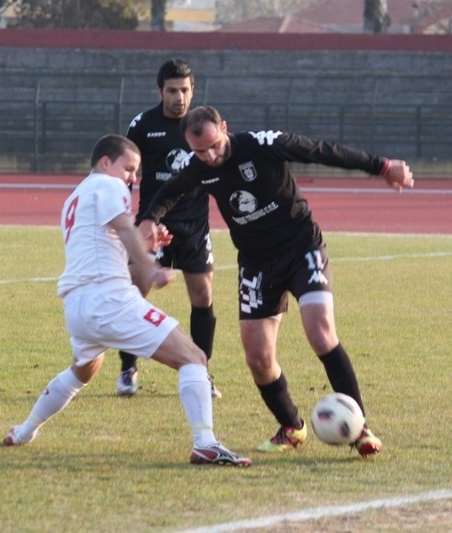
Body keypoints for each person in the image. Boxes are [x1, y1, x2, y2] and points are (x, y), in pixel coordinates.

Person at [137, 106, 414, 457]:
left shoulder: (262, 144)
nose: (209, 155)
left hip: (301, 248)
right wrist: (149, 220)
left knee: (321, 333)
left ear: (225, 127)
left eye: (214, 145)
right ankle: (292, 427)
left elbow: (320, 151)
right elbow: (168, 193)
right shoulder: (198, 166)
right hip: (256, 263)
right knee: (257, 357)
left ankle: (360, 428)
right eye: (199, 151)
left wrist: (383, 167)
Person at [2, 133, 251, 467]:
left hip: (77, 305)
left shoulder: (76, 197)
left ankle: (24, 431)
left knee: (83, 371)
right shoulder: (109, 186)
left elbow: (107, 244)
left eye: (137, 172)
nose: (133, 178)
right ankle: (205, 443)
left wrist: (145, 241)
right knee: (193, 357)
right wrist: (150, 268)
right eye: (129, 169)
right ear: (106, 162)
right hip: (108, 300)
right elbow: (121, 226)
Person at [117, 58, 220, 399]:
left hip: (194, 226)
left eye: (185, 90)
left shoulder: (204, 125)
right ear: (159, 91)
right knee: (135, 295)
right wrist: (125, 217)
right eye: (173, 90)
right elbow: (125, 172)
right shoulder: (143, 125)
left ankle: (202, 372)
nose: (180, 97)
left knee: (203, 297)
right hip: (152, 223)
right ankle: (127, 369)